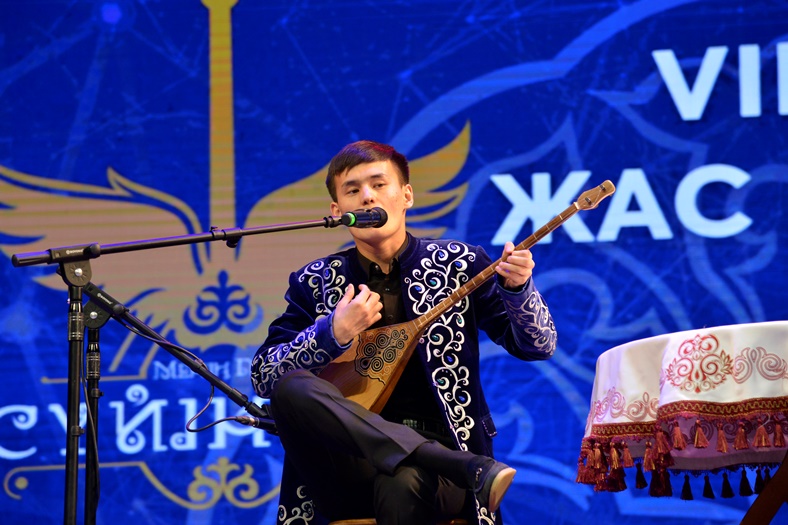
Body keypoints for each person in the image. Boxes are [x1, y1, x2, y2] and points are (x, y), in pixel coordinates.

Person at [251, 140, 557, 525]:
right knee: (291, 387)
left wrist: (518, 289)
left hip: (443, 464)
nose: (367, 197)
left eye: (379, 185)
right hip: (348, 465)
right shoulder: (315, 282)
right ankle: (453, 463)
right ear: (337, 211)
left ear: (406, 196)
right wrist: (331, 333)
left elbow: (538, 345)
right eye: (352, 190)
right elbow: (264, 377)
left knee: (402, 481)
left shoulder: (459, 264)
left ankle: (437, 458)